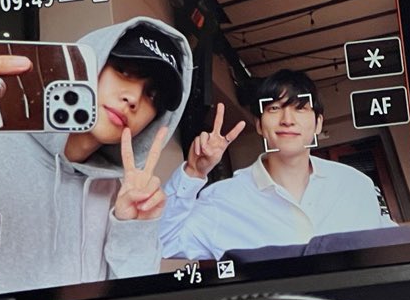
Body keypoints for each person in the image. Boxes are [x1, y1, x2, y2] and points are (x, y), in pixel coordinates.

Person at [0, 16, 193, 294]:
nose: (133, 98)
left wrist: (134, 228)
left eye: (152, 96)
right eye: (125, 70)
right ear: (86, 64)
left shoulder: (117, 197)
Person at [159, 69, 394, 261]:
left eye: (300, 108)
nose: (287, 120)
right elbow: (164, 242)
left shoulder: (356, 185)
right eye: (274, 108)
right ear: (259, 125)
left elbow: (389, 248)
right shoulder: (222, 199)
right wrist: (193, 172)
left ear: (318, 124)